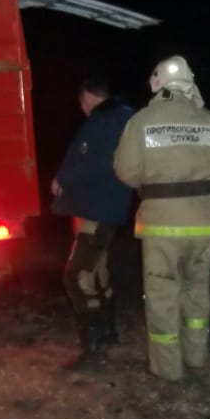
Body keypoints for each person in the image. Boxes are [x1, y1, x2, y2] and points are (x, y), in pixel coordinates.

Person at [113, 55, 210, 381]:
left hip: (161, 225)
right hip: (203, 223)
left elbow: (125, 172)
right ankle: (197, 355)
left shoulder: (142, 122)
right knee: (197, 289)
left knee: (162, 293)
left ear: (157, 84)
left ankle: (168, 368)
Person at [50, 76, 135, 371]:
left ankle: (93, 347)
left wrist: (64, 179)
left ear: (86, 96)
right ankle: (108, 333)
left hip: (98, 209)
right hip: (100, 208)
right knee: (97, 272)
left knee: (77, 276)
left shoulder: (108, 119)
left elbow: (102, 162)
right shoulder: (120, 116)